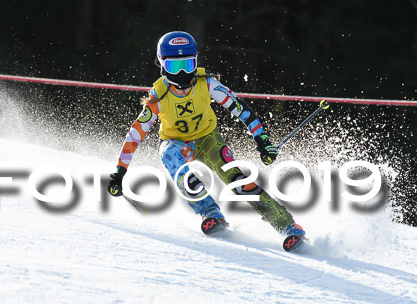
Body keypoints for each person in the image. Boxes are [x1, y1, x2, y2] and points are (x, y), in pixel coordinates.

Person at [107, 31, 306, 244]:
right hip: (177, 143)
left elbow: (241, 109)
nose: (183, 72)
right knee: (170, 154)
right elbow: (135, 134)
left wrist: (262, 140)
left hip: (208, 140)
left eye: (188, 65)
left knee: (238, 181)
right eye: (175, 66)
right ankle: (209, 212)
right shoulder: (158, 96)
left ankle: (286, 224)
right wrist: (120, 172)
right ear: (162, 65)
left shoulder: (207, 83)